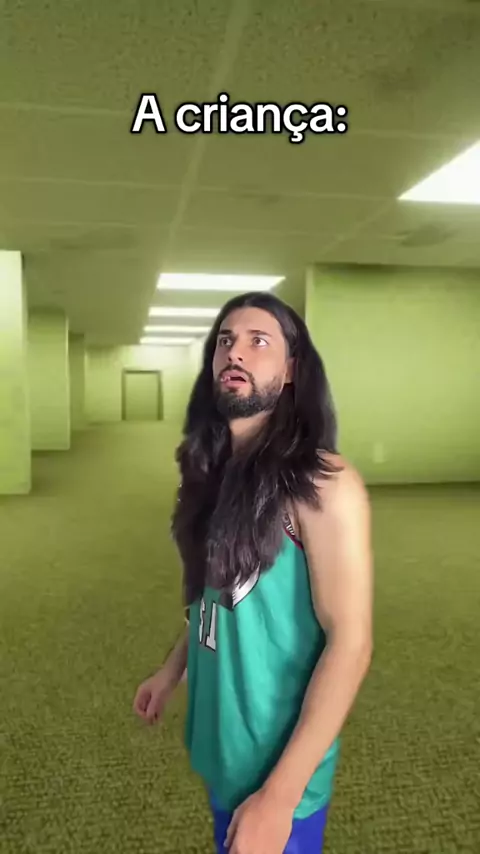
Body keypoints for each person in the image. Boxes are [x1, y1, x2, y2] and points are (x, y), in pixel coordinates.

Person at [133, 291, 373, 853]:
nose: (235, 353)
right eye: (225, 341)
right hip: (222, 745)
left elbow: (351, 643)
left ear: (291, 371)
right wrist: (172, 670)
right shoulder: (215, 471)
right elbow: (215, 595)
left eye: (258, 341)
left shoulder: (323, 483)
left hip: (277, 769)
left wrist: (280, 798)